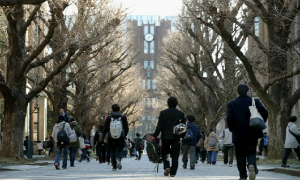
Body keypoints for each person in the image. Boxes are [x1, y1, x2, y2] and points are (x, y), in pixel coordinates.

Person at [226, 84, 268, 180]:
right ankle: (252, 165)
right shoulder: (254, 101)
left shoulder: (232, 103)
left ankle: (243, 176)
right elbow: (265, 112)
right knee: (251, 152)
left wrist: (232, 128)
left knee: (240, 154)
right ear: (247, 91)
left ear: (238, 92)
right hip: (252, 132)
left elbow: (229, 118)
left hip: (238, 133)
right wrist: (260, 123)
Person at [152, 97, 185, 177]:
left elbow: (159, 125)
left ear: (168, 103)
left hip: (165, 136)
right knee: (175, 154)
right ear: (176, 103)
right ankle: (173, 172)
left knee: (165, 153)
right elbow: (184, 126)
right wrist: (182, 136)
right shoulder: (180, 113)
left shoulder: (163, 113)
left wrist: (155, 135)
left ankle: (167, 166)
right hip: (176, 137)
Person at [103, 104, 129, 171]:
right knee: (120, 150)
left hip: (111, 137)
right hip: (120, 137)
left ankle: (114, 167)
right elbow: (126, 128)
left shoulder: (109, 118)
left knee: (112, 151)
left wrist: (104, 137)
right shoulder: (123, 117)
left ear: (112, 109)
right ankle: (119, 159)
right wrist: (124, 135)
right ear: (119, 109)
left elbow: (105, 128)